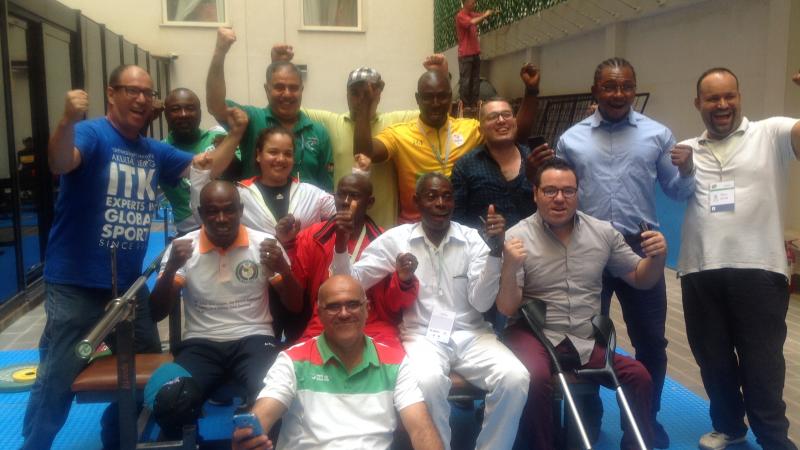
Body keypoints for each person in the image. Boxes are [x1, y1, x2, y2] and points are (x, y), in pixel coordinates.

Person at [24, 64, 246, 450]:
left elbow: (208, 167)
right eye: (131, 90)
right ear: (112, 94)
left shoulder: (153, 151)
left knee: (146, 368)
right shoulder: (93, 133)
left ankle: (119, 432)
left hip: (128, 287)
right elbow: (60, 162)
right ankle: (35, 444)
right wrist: (65, 121)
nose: (141, 99)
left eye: (147, 93)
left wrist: (238, 132)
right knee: (59, 372)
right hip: (76, 283)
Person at [527, 58, 694, 446]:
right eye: (609, 87)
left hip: (639, 246)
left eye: (626, 87)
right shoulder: (572, 139)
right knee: (583, 338)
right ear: (595, 90)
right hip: (584, 246)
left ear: (634, 89)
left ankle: (644, 422)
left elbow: (677, 191)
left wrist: (688, 171)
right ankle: (588, 414)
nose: (618, 94)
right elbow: (558, 193)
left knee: (651, 341)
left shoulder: (658, 134)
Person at [331, 173, 529, 450]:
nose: (440, 203)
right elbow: (349, 281)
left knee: (516, 377)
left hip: (472, 334)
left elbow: (482, 304)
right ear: (417, 201)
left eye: (446, 196)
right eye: (432, 196)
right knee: (426, 380)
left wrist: (495, 253)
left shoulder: (472, 239)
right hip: (422, 336)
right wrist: (341, 244)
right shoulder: (398, 239)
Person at [498, 157, 666, 450]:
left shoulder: (603, 232)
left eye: (568, 191)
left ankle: (638, 445)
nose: (559, 198)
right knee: (535, 378)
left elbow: (641, 279)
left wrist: (658, 258)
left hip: (583, 337)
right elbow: (507, 309)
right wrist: (510, 268)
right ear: (535, 193)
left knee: (640, 377)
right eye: (550, 190)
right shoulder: (517, 237)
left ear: (578, 193)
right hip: (533, 333)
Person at [677, 68, 800, 450]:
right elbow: (671, 195)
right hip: (699, 268)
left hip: (759, 269)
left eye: (729, 95)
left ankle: (775, 439)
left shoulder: (771, 133)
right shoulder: (686, 149)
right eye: (712, 98)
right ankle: (729, 426)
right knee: (712, 358)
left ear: (740, 97)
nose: (722, 104)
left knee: (761, 363)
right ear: (698, 103)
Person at [146, 180, 302, 438]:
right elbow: (157, 312)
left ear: (240, 210)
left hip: (255, 339)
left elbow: (295, 306)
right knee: (174, 401)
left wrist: (283, 269)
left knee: (275, 394)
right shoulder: (185, 247)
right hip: (201, 342)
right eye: (212, 211)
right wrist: (172, 267)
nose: (221, 218)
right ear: (200, 213)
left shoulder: (264, 244)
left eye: (229, 210)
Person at [231, 275, 444, 450]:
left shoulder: (396, 362)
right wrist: (247, 438)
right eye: (333, 306)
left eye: (352, 304)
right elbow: (264, 412)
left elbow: (421, 428)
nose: (344, 313)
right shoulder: (293, 360)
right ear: (320, 313)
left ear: (366, 309)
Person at [269, 44, 446, 228]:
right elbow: (286, 107)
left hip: (384, 228)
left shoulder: (396, 122)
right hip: (344, 226)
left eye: (368, 93)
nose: (362, 99)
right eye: (355, 93)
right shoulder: (332, 122)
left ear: (379, 94)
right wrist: (278, 66)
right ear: (346, 94)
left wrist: (441, 74)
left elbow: (435, 108)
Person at [353, 62, 540, 223]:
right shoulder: (399, 134)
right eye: (428, 97)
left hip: (461, 224)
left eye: (442, 96)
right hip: (414, 225)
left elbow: (514, 136)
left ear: (450, 98)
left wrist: (531, 92)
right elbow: (365, 152)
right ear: (418, 99)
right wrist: (363, 107)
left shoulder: (470, 129)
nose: (435, 103)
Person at [288, 173, 418, 347]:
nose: (346, 201)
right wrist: (287, 245)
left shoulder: (386, 241)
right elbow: (295, 294)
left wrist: (403, 281)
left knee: (396, 367)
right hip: (324, 322)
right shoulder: (311, 237)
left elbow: (394, 306)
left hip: (372, 325)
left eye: (355, 195)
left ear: (369, 202)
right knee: (298, 366)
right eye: (341, 194)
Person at [206, 27, 333, 191]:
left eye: (293, 88)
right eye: (279, 87)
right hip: (257, 213)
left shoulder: (318, 132)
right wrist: (220, 52)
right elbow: (215, 105)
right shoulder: (252, 119)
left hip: (305, 215)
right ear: (267, 90)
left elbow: (326, 188)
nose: (287, 94)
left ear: (302, 90)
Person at [190, 125, 335, 243]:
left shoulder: (311, 193)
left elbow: (346, 214)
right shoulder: (240, 194)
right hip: (253, 274)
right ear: (258, 155)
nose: (280, 159)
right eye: (273, 152)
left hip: (304, 275)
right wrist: (199, 176)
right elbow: (202, 216)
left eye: (288, 154)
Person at [452, 97, 536, 230]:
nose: (501, 121)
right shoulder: (465, 166)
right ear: (480, 130)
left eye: (507, 115)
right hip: (485, 247)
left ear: (515, 122)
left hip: (534, 244)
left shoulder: (535, 159)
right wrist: (485, 230)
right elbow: (456, 221)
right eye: (493, 117)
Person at [161, 87, 234, 234]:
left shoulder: (218, 136)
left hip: (229, 225)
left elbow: (237, 175)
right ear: (166, 115)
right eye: (175, 109)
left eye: (190, 108)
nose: (183, 114)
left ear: (200, 113)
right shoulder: (161, 151)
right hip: (189, 232)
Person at [455, 0, 493, 109]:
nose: (474, 4)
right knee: (465, 81)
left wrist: (488, 14)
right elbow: (472, 22)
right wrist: (484, 15)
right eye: (472, 2)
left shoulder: (471, 14)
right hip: (465, 55)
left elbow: (480, 16)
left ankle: (474, 104)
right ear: (465, 2)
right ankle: (465, 106)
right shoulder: (460, 16)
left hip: (475, 53)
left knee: (476, 80)